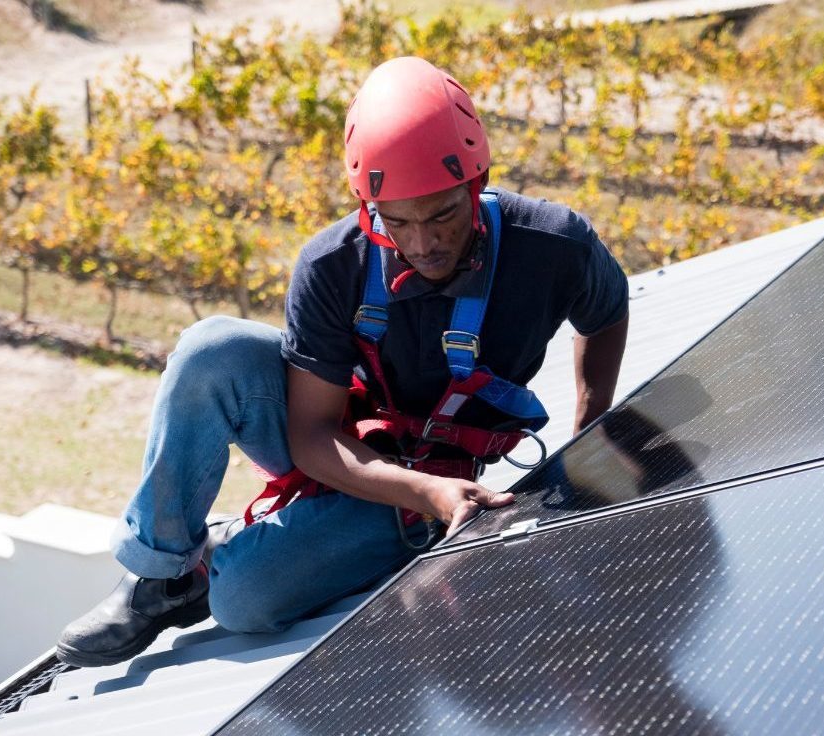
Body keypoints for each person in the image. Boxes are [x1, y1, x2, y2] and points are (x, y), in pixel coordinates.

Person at [55, 55, 630, 668]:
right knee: (211, 349)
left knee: (242, 601)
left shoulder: (551, 245)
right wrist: (421, 491)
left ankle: (241, 556)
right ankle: (161, 574)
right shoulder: (333, 266)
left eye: (442, 214)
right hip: (342, 437)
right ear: (367, 206)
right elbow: (308, 433)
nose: (423, 242)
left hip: (437, 477)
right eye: (397, 222)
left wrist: (589, 434)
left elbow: (607, 308)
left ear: (474, 183)